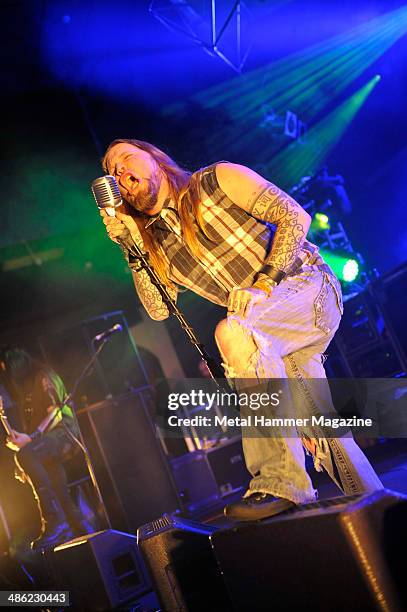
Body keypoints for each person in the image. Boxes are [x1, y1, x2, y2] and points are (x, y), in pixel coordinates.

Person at [99, 138, 383, 521]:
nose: (120, 172)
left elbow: (295, 216)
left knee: (230, 333)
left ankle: (282, 480)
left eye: (126, 159)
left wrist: (263, 283)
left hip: (308, 289)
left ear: (155, 159)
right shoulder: (157, 243)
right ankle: (383, 515)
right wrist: (131, 246)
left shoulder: (216, 180)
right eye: (112, 173)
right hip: (270, 338)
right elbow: (158, 309)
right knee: (322, 431)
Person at [0, 347, 92, 549]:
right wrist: (23, 444)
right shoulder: (25, 388)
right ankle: (82, 533)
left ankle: (52, 519)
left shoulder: (44, 376)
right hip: (45, 441)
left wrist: (30, 442)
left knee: (27, 455)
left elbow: (56, 414)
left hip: (64, 433)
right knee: (59, 489)